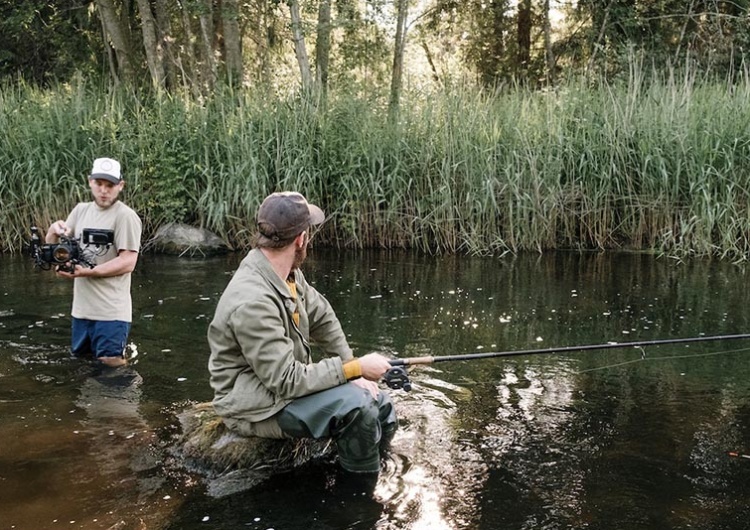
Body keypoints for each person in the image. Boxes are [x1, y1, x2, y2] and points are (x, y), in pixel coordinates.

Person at [208, 191, 398, 474]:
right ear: (301, 239)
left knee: (380, 403)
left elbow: (322, 316)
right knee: (360, 410)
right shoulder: (252, 300)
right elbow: (286, 380)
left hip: (279, 391)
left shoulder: (286, 274)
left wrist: (354, 371)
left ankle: (380, 470)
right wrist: (353, 367)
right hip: (254, 406)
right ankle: (359, 498)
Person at [46, 157, 142, 368]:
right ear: (90, 182)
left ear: (120, 186)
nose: (104, 190)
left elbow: (128, 262)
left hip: (111, 313)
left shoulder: (126, 216)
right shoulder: (80, 210)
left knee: (111, 367)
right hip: (81, 312)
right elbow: (57, 253)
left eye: (110, 185)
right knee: (81, 367)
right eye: (99, 184)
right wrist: (52, 232)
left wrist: (88, 272)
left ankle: (127, 399)